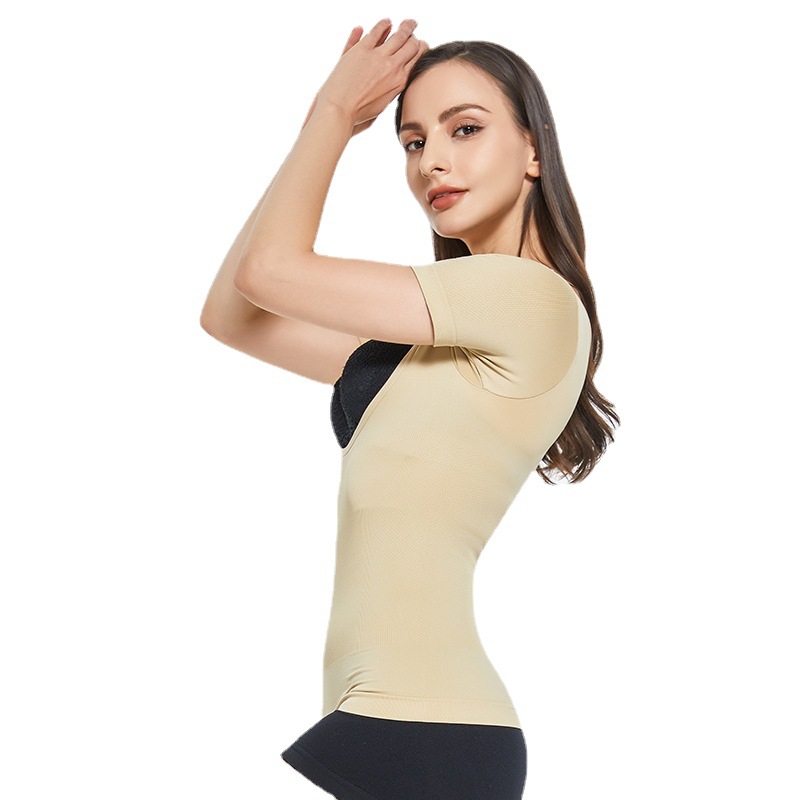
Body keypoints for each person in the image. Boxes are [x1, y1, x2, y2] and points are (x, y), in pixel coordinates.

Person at [200, 17, 619, 800]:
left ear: (534, 150)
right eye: (413, 141)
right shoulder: (436, 348)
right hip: (396, 724)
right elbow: (233, 316)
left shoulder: (529, 297)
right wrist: (322, 122)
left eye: (466, 128)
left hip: (427, 727)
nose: (432, 161)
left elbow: (270, 271)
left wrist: (333, 116)